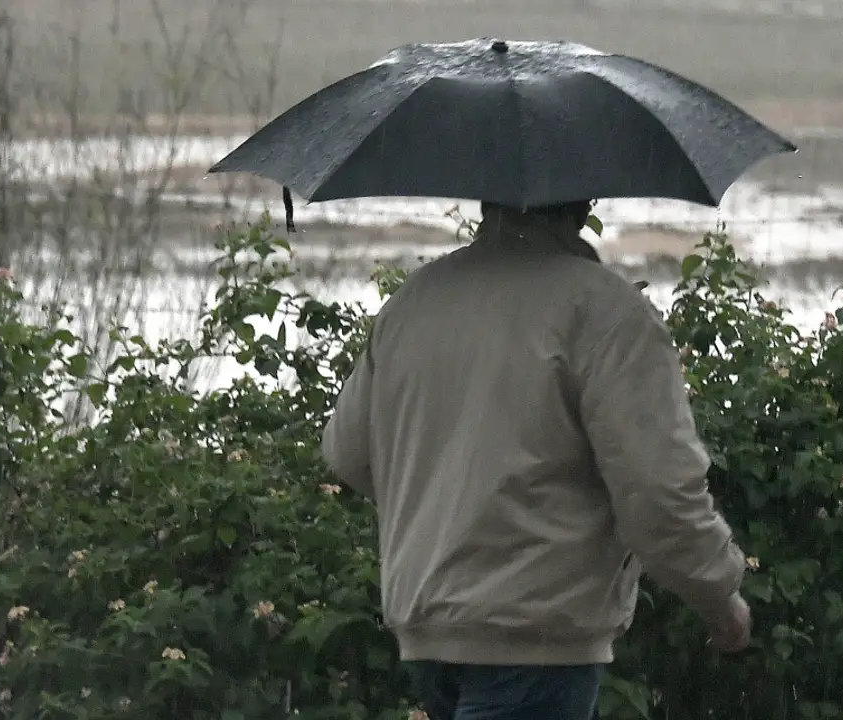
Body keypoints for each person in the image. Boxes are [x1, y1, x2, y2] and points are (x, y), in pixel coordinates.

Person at [321, 200, 752, 720]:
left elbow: (347, 452)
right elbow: (659, 493)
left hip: (429, 636)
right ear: (584, 201)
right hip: (537, 642)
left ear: (484, 199)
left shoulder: (415, 300)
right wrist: (719, 598)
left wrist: (447, 507)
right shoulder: (603, 312)